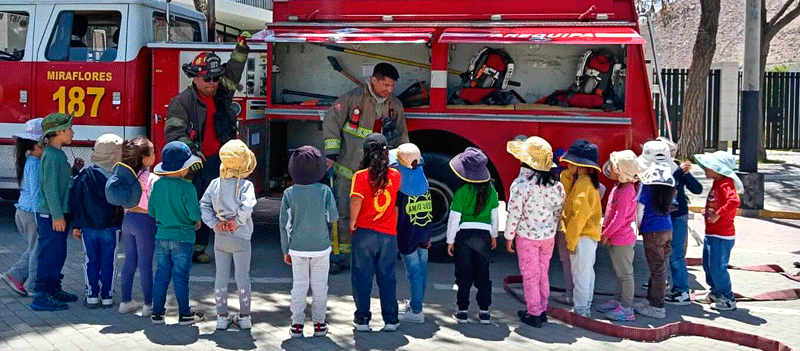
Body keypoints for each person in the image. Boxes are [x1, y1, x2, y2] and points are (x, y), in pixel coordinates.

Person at [164, 32, 251, 264]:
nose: (212, 83)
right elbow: (173, 134)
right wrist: (192, 151)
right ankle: (188, 248)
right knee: (193, 206)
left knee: (215, 206)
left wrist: (241, 48)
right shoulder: (182, 102)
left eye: (215, 78)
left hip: (218, 162)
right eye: (207, 79)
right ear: (195, 78)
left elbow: (233, 71)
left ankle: (203, 248)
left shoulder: (221, 95)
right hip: (195, 164)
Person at [323, 63, 409, 273]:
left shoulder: (395, 106)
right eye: (385, 85)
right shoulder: (351, 99)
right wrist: (331, 154)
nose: (389, 90)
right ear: (374, 80)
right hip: (349, 171)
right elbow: (331, 121)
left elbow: (402, 136)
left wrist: (406, 163)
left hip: (378, 175)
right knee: (343, 213)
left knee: (375, 217)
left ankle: (368, 258)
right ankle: (340, 257)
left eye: (392, 86)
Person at [505, 137, 566, 328]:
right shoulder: (556, 185)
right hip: (548, 238)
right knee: (542, 273)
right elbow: (558, 211)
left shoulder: (520, 184)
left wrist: (509, 236)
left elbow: (514, 213)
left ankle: (534, 313)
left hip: (526, 237)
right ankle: (542, 309)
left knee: (530, 275)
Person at [280, 146, 338, 337]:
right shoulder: (325, 191)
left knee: (299, 285)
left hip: (297, 248)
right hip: (321, 247)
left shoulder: (289, 193)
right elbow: (333, 217)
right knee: (320, 286)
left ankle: (297, 324)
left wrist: (285, 250)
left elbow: (284, 225)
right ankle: (319, 324)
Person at [200, 139, 257, 330]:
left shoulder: (215, 184)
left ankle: (221, 316)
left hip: (220, 237)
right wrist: (237, 221)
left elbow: (204, 205)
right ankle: (245, 316)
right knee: (243, 276)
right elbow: (248, 206)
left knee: (221, 276)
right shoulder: (246, 186)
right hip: (241, 237)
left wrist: (215, 223)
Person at [349, 134, 402, 332]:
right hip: (388, 235)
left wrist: (353, 222)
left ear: (365, 153)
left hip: (365, 233)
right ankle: (391, 320)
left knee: (362, 278)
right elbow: (395, 205)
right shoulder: (395, 175)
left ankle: (362, 319)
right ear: (386, 154)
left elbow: (356, 200)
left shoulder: (360, 176)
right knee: (387, 278)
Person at [149, 141, 205, 325]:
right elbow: (194, 214)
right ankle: (185, 314)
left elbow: (152, 211)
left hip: (162, 236)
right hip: (183, 238)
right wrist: (196, 221)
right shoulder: (188, 188)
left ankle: (157, 313)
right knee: (181, 277)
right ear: (183, 168)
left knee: (161, 276)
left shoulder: (158, 185)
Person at [30, 112, 79, 311]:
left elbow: (61, 182)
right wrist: (57, 215)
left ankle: (53, 288)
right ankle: (41, 295)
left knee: (58, 253)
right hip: (51, 215)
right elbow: (50, 188)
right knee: (50, 255)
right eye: (69, 129)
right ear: (58, 132)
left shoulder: (57, 154)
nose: (72, 132)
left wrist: (74, 170)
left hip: (58, 213)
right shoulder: (50, 156)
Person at [70, 134, 124, 309]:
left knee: (90, 260)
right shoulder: (119, 177)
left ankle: (91, 294)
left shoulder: (85, 176)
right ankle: (107, 295)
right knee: (109, 262)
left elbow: (76, 201)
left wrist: (76, 226)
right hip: (112, 227)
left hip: (88, 227)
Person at [447, 147, 500, 325]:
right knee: (483, 274)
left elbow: (454, 219)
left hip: (464, 236)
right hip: (484, 237)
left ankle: (462, 311)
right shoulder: (491, 191)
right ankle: (485, 312)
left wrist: (450, 241)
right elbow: (495, 216)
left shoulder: (461, 192)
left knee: (464, 275)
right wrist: (494, 236)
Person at [596, 150, 646, 322]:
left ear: (621, 171)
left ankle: (626, 307)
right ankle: (618, 300)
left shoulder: (626, 191)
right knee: (619, 272)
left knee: (625, 274)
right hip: (617, 237)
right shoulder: (620, 187)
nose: (610, 168)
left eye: (613, 166)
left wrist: (606, 233)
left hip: (621, 239)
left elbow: (619, 217)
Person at [113, 137, 159, 317]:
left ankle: (125, 302)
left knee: (129, 262)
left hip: (128, 220)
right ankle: (148, 304)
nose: (155, 155)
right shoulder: (152, 178)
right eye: (153, 152)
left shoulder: (127, 177)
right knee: (145, 265)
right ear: (145, 159)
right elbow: (155, 203)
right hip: (145, 221)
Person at [693, 151, 742, 311]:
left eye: (707, 167)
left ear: (717, 169)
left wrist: (718, 214)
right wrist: (709, 211)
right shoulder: (717, 183)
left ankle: (727, 297)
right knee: (708, 265)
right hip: (712, 232)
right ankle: (716, 292)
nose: (704, 170)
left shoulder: (725, 183)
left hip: (722, 234)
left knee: (717, 267)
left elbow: (734, 201)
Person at [559, 139, 602, 318]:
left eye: (571, 163)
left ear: (579, 165)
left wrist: (571, 241)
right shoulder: (585, 182)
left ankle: (580, 311)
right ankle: (585, 307)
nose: (567, 166)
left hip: (581, 237)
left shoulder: (583, 186)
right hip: (587, 237)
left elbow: (578, 218)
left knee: (580, 275)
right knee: (587, 273)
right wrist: (568, 176)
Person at [634, 140, 676, 319]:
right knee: (660, 267)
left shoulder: (646, 182)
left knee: (657, 270)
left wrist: (638, 226)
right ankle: (651, 300)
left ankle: (657, 307)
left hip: (652, 230)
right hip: (667, 227)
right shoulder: (670, 181)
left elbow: (640, 207)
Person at [658, 138, 703, 305]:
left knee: (676, 254)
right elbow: (666, 183)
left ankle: (682, 291)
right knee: (659, 251)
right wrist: (678, 172)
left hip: (677, 215)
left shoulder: (677, 169)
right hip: (662, 214)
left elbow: (697, 188)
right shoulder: (662, 169)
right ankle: (661, 282)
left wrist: (685, 173)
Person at [1, 118, 43, 297]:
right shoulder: (35, 164)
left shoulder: (29, 160)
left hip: (24, 211)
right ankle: (32, 286)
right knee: (37, 251)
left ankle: (14, 275)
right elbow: (36, 193)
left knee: (35, 247)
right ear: (38, 145)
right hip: (32, 213)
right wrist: (43, 214)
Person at [391, 143, 433, 324]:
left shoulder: (401, 186)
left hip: (407, 236)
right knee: (422, 272)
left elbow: (395, 214)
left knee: (414, 274)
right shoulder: (423, 181)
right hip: (423, 234)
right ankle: (417, 303)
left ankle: (416, 311)